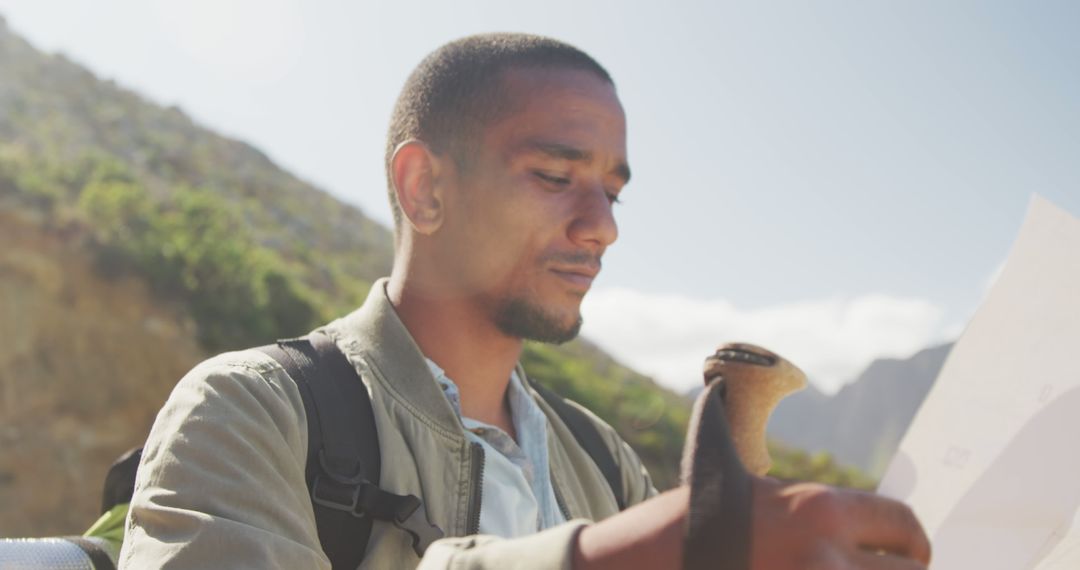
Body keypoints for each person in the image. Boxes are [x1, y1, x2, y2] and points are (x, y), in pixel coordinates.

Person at [119, 33, 931, 569]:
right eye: (555, 178)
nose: (603, 228)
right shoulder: (254, 409)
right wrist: (608, 557)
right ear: (424, 185)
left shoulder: (602, 462)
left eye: (614, 192)